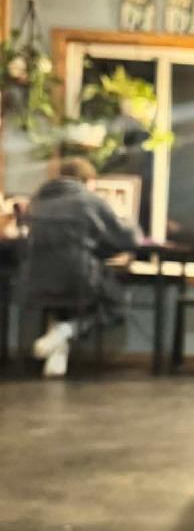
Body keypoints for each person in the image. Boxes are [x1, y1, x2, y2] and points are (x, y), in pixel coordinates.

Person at [20, 157, 138, 377]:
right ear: (89, 180)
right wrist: (126, 218)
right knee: (118, 305)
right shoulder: (89, 200)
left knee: (60, 303)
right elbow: (126, 240)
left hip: (35, 280)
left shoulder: (37, 199)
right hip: (78, 279)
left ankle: (58, 350)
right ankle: (65, 331)